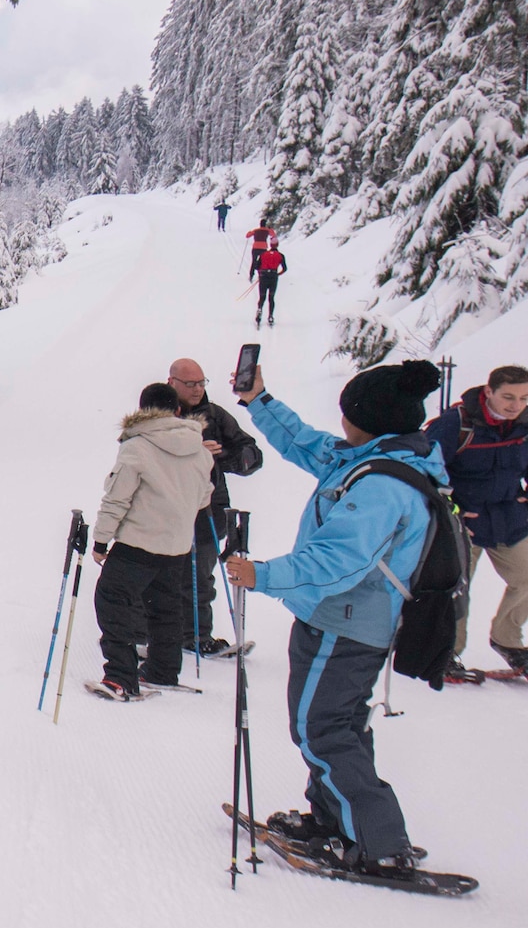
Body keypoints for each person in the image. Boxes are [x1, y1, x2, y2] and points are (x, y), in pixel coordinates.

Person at [225, 358, 444, 877]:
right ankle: (335, 821)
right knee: (336, 725)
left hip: (345, 624)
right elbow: (309, 444)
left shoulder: (381, 486)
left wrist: (263, 575)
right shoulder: (378, 455)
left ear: (367, 419)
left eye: (347, 412)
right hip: (350, 620)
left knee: (321, 730)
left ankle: (378, 843)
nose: (340, 422)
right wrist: (259, 400)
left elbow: (339, 560)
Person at [89, 382, 216, 698]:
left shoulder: (137, 446)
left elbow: (117, 498)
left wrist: (101, 541)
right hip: (176, 547)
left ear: (143, 411)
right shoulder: (199, 450)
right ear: (177, 410)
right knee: (165, 607)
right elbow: (203, 498)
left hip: (138, 544)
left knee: (112, 600)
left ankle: (120, 677)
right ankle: (162, 671)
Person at [426, 364, 528, 678]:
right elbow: (423, 471)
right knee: (457, 587)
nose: (516, 405)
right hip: (461, 521)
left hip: (508, 517)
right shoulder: (456, 425)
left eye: (524, 398)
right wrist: (449, 507)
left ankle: (507, 640)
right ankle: (445, 653)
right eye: (508, 396)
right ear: (488, 392)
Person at [168, 358, 264, 655]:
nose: (197, 390)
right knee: (160, 572)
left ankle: (196, 635)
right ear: (172, 383)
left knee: (198, 575)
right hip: (166, 509)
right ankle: (151, 632)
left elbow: (251, 454)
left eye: (201, 383)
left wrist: (225, 459)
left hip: (209, 509)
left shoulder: (215, 416)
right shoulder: (158, 415)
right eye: (190, 384)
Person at [251, 241, 287, 327]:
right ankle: (270, 316)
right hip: (273, 276)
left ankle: (259, 309)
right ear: (277, 245)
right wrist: (278, 274)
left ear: (270, 245)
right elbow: (285, 268)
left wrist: (261, 272)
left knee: (262, 296)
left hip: (263, 276)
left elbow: (256, 266)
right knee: (271, 297)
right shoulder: (281, 255)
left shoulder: (263, 254)